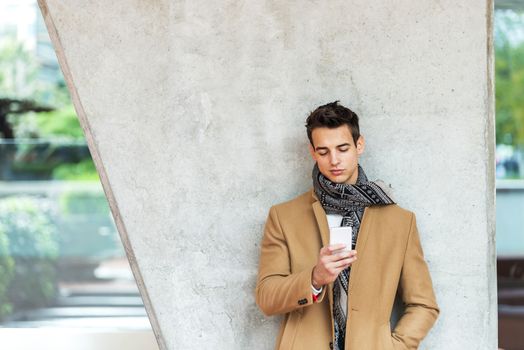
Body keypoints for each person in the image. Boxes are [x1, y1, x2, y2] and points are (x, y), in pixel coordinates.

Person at [255, 101, 439, 350]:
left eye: (342, 149)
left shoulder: (400, 222)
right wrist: (315, 278)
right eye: (323, 152)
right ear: (312, 152)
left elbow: (424, 304)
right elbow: (266, 298)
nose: (334, 160)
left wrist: (393, 347)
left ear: (359, 145)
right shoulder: (284, 216)